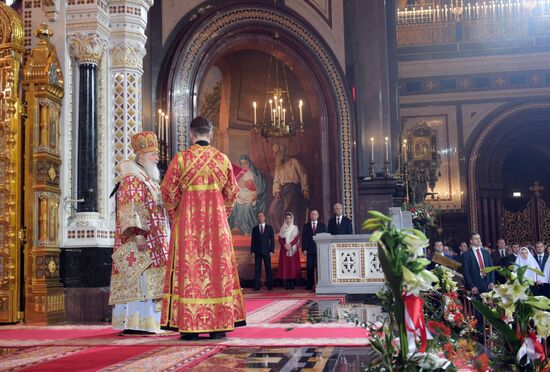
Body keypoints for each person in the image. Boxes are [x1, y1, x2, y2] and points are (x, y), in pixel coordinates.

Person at [159, 116, 246, 340]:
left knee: (190, 271)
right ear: (211, 133)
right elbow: (233, 192)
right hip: (217, 226)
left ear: (191, 134)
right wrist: (222, 213)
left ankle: (190, 327)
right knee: (218, 270)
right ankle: (219, 326)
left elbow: (167, 192)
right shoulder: (222, 159)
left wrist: (176, 214)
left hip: (188, 226)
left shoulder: (181, 159)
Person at [109, 131, 169, 334]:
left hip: (154, 239)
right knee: (138, 279)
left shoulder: (148, 178)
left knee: (149, 281)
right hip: (140, 240)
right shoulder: (132, 177)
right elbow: (131, 206)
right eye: (153, 154)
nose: (157, 157)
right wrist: (138, 233)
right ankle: (136, 322)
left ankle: (150, 321)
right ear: (142, 156)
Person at [268, 144, 309, 233]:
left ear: (282, 152)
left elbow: (303, 174)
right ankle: (281, 231)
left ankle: (292, 233)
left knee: (291, 212)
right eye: (275, 153)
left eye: (277, 153)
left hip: (294, 190)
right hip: (282, 190)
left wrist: (305, 188)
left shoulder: (294, 162)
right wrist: (277, 190)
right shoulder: (278, 166)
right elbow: (276, 181)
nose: (276, 155)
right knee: (272, 210)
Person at [229, 155, 266, 235]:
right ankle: (239, 227)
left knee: (247, 207)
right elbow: (237, 186)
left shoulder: (255, 174)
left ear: (249, 163)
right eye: (242, 164)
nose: (244, 165)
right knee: (236, 204)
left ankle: (248, 229)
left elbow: (260, 188)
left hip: (253, 195)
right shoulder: (241, 174)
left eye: (246, 163)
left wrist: (256, 193)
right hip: (243, 194)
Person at [301, 210, 327, 290]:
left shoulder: (322, 225)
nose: (313, 216)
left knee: (320, 267)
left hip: (320, 250)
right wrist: (304, 249)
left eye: (315, 214)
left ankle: (321, 284)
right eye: (312, 214)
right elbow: (304, 238)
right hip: (309, 250)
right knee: (309, 267)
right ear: (310, 216)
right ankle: (309, 285)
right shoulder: (306, 226)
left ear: (318, 215)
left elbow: (325, 238)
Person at [250, 211, 275, 290]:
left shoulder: (269, 228)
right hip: (257, 252)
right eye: (258, 216)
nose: (260, 217)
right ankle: (257, 285)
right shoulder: (255, 229)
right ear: (257, 218)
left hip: (267, 251)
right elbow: (253, 241)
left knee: (268, 268)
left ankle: (269, 285)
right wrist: (252, 251)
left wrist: (272, 250)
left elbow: (272, 240)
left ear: (264, 217)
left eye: (261, 216)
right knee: (257, 269)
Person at [278, 212, 301, 290]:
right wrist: (285, 245)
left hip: (293, 250)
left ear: (292, 219)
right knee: (286, 266)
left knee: (292, 266)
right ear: (285, 219)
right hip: (284, 250)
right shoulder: (282, 228)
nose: (288, 220)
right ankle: (287, 283)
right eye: (287, 218)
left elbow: (296, 238)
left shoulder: (295, 228)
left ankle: (292, 283)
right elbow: (280, 239)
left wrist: (290, 245)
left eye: (289, 218)